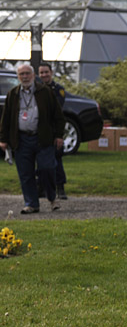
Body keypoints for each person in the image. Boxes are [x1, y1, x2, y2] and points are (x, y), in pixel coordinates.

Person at [0, 62, 64, 214]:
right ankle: (31, 203)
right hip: (22, 140)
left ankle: (52, 197)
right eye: (21, 74)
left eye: (27, 73)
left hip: (42, 138)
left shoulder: (45, 92)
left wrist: (59, 135)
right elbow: (6, 118)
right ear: (18, 77)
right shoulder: (13, 93)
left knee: (46, 168)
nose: (25, 77)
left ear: (34, 75)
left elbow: (58, 116)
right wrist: (3, 139)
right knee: (25, 173)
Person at [37, 62, 68, 200]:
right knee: (40, 161)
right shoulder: (36, 89)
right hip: (39, 131)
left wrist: (58, 134)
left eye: (46, 72)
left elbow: (57, 111)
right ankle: (42, 188)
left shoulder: (58, 90)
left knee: (56, 159)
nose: (44, 75)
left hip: (54, 131)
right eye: (41, 73)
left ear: (51, 72)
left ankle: (60, 188)